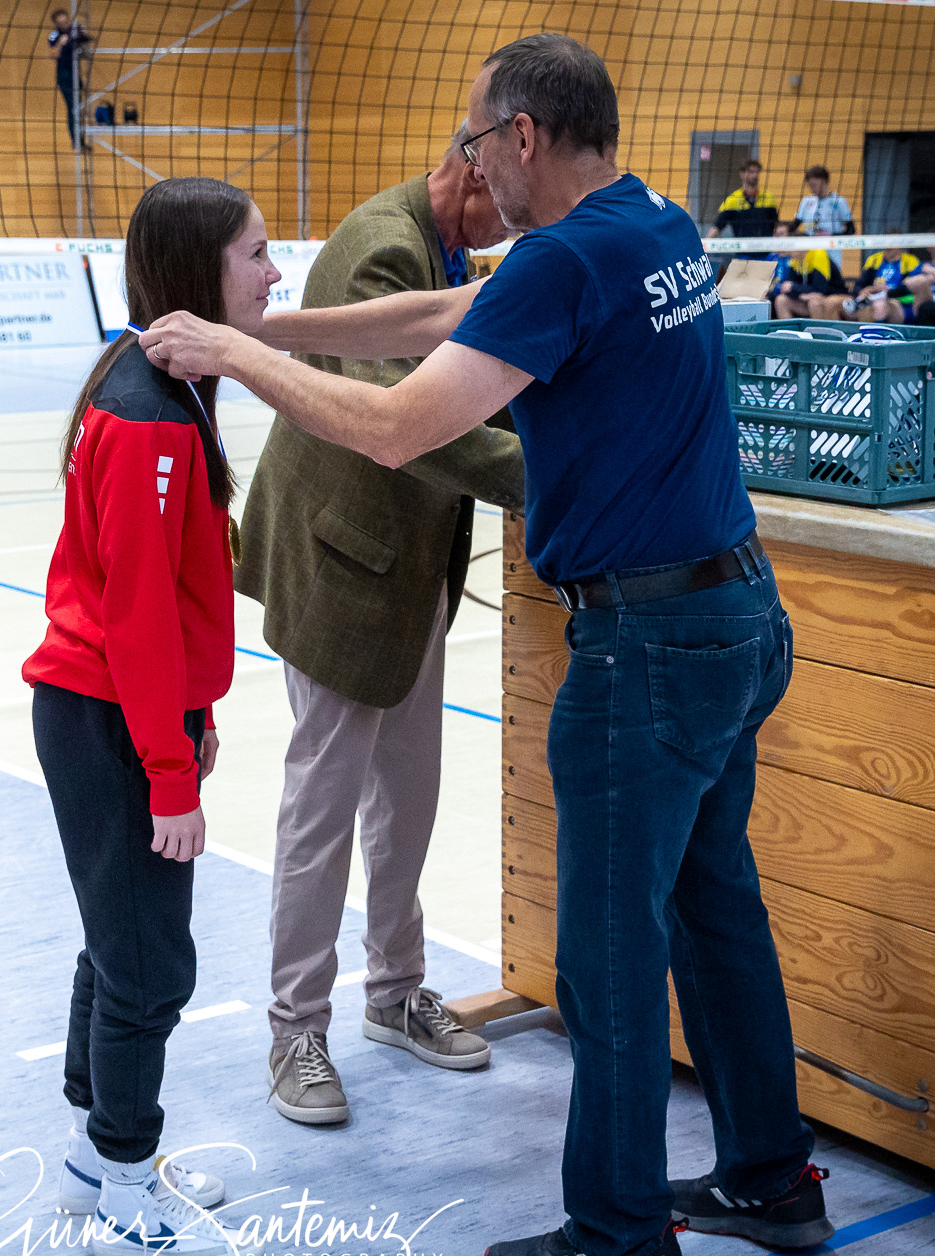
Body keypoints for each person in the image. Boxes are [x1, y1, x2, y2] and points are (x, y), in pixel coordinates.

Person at [140, 33, 827, 1256]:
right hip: (736, 618)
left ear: (520, 137)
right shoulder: (651, 226)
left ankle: (619, 1235)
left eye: (474, 137)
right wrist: (263, 323)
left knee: (610, 955)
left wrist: (239, 359)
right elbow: (435, 315)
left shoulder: (565, 254)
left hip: (645, 653)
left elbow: (401, 427)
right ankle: (769, 1178)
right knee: (713, 913)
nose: (466, 162)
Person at [243, 124, 523, 1128]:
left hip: (408, 569)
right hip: (341, 564)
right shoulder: (381, 247)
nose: (516, 221)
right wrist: (559, 484)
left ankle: (393, 994)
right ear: (468, 170)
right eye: (507, 198)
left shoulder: (453, 249)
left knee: (407, 792)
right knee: (321, 808)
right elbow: (406, 425)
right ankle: (293, 1033)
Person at [22, 175, 275, 1256]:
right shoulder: (144, 417)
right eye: (255, 254)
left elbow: (174, 593)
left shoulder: (168, 389)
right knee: (146, 965)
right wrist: (169, 770)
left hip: (130, 707)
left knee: (119, 938)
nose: (272, 272)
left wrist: (195, 710)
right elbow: (129, 609)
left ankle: (94, 1152)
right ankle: (127, 1188)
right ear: (196, 272)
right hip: (104, 714)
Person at [46, 8, 96, 151]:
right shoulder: (54, 35)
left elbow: (87, 40)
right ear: (56, 23)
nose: (64, 24)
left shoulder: (74, 31)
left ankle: (81, 139)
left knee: (79, 108)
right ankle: (76, 141)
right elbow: (53, 54)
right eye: (60, 22)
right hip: (65, 76)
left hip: (76, 75)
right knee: (73, 109)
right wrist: (61, 43)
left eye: (65, 20)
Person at [770, 226, 843, 320]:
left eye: (790, 247)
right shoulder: (795, 260)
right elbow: (787, 289)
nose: (787, 251)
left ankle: (819, 334)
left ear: (801, 247)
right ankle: (788, 333)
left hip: (831, 296)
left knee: (814, 302)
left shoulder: (818, 254)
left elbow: (820, 289)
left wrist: (794, 287)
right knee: (781, 300)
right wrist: (800, 293)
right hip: (808, 297)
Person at [845, 245, 920, 323]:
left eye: (891, 244)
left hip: (899, 299)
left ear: (899, 245)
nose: (888, 247)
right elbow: (859, 284)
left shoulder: (911, 261)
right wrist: (864, 291)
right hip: (874, 296)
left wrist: (887, 291)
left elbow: (909, 288)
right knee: (862, 304)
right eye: (886, 244)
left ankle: (878, 333)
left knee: (879, 305)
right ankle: (865, 333)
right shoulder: (874, 259)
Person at [708, 158, 779, 240]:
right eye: (751, 172)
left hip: (765, 249)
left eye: (757, 172)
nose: (755, 175)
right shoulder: (733, 200)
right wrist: (705, 244)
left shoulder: (768, 198)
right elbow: (717, 226)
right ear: (742, 174)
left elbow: (776, 226)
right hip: (742, 250)